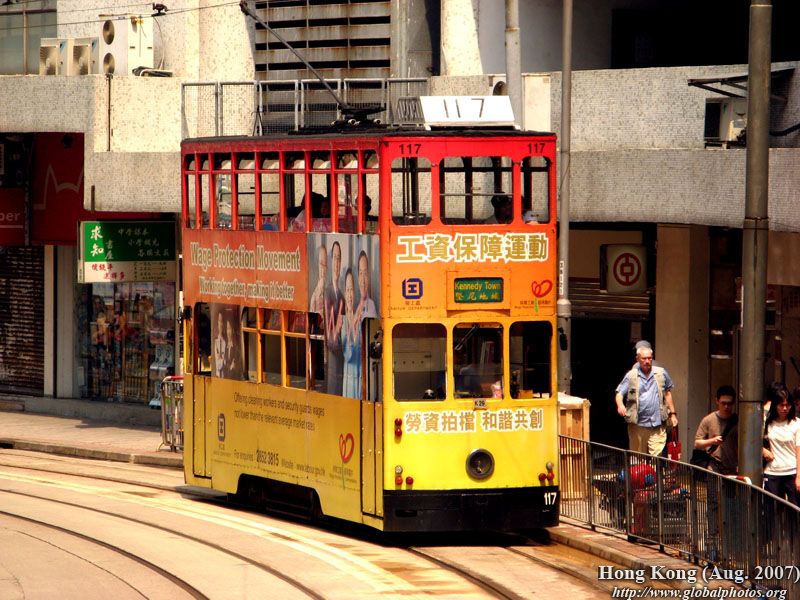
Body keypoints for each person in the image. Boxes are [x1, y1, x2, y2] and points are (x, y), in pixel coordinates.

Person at [614, 344, 677, 455]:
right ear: (637, 359)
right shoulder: (631, 375)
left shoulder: (661, 373)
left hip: (657, 425)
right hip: (638, 425)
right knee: (638, 458)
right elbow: (619, 394)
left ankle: (654, 467)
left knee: (656, 458)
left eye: (649, 358)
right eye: (644, 358)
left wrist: (673, 414)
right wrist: (620, 405)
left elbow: (667, 394)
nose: (647, 361)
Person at [761, 385, 800, 505]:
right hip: (772, 472)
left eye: (787, 405)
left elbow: (799, 451)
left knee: (794, 509)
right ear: (775, 405)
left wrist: (799, 476)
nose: (785, 408)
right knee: (771, 510)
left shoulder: (796, 423)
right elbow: (753, 440)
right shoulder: (767, 423)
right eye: (781, 405)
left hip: (792, 471)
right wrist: (763, 450)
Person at [694, 385, 739, 475]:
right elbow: (697, 443)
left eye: (729, 403)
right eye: (723, 403)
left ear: (733, 403)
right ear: (717, 401)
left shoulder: (738, 421)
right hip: (714, 466)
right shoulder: (708, 420)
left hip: (733, 467)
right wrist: (712, 441)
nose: (726, 407)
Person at [325, 241, 345, 395]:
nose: (337, 263)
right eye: (335, 258)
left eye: (339, 258)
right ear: (331, 261)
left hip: (342, 349)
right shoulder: (328, 291)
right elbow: (328, 323)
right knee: (333, 383)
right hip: (333, 349)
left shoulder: (342, 294)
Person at [341, 268, 362, 400]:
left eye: (351, 290)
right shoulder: (343, 320)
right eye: (347, 290)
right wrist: (353, 328)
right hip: (349, 376)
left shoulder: (361, 316)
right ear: (344, 293)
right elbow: (347, 354)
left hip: (360, 374)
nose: (349, 295)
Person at [309, 244, 332, 316]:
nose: (323, 268)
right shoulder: (314, 296)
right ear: (317, 265)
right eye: (321, 263)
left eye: (325, 264)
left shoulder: (331, 291)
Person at [355, 250, 377, 321]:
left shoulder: (371, 306)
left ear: (368, 276)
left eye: (365, 273)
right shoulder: (352, 303)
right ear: (358, 277)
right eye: (361, 273)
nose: (363, 280)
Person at [213, 311, 227, 377]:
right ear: (217, 323)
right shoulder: (215, 341)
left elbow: (226, 362)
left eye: (222, 321)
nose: (221, 324)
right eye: (219, 321)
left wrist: (222, 360)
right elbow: (218, 365)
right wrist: (222, 360)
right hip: (217, 376)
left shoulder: (226, 342)